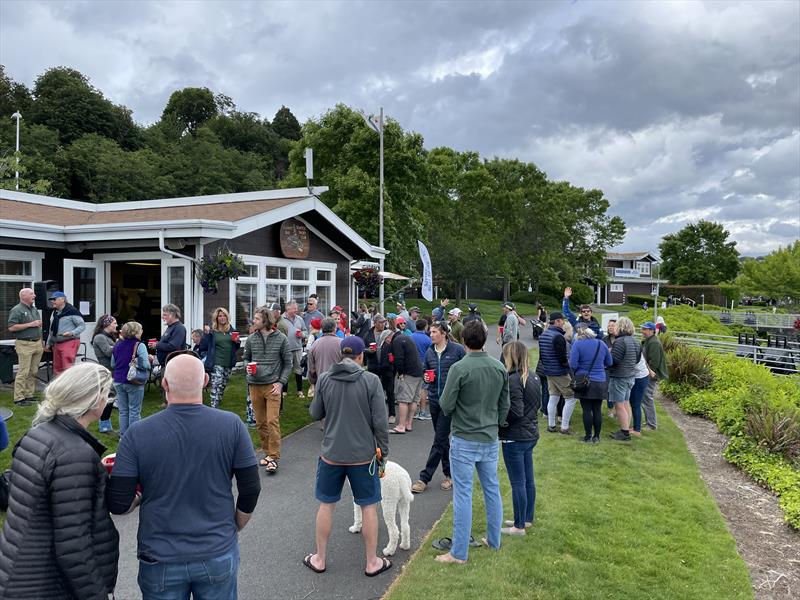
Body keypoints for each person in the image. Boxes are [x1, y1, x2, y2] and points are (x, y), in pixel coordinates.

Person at [108, 353, 261, 599]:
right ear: (206, 381)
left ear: (165, 384)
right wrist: (236, 525)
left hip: (160, 556)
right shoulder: (232, 425)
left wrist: (139, 496)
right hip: (217, 549)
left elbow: (118, 504)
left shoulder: (136, 434)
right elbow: (251, 487)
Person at [0, 363, 119, 598]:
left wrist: (97, 483)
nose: (108, 401)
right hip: (47, 584)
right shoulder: (74, 454)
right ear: (94, 402)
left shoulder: (39, 432)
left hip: (19, 572)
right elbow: (74, 544)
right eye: (107, 394)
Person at [305, 336, 391, 577]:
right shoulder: (371, 381)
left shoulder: (325, 379)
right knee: (368, 507)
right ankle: (372, 561)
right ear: (361, 355)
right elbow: (380, 423)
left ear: (341, 354)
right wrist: (383, 452)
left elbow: (315, 413)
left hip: (331, 453)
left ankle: (320, 558)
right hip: (363, 456)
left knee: (326, 505)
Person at [435, 320, 508, 564]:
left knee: (464, 494)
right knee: (491, 488)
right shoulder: (498, 367)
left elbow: (445, 404)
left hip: (465, 437)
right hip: (488, 436)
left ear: (464, 341)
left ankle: (458, 553)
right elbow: (504, 405)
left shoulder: (459, 368)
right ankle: (494, 541)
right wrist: (494, 422)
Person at [412, 321, 466, 494]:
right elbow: (425, 370)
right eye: (430, 332)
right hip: (434, 399)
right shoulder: (429, 352)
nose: (431, 335)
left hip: (450, 402)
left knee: (439, 438)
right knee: (441, 439)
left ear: (444, 333)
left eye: (434, 332)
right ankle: (449, 474)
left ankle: (424, 477)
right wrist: (427, 379)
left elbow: (466, 372)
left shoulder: (457, 350)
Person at [243, 305, 292, 474]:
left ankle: (274, 457)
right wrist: (247, 367)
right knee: (260, 423)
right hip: (254, 386)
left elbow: (288, 363)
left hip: (272, 386)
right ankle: (267, 453)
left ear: (265, 320)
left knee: (272, 421)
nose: (253, 321)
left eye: (256, 318)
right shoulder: (251, 339)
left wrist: (280, 383)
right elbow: (246, 358)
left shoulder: (281, 338)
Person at [499, 341, 541, 534]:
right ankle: (526, 518)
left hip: (515, 436)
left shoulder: (514, 380)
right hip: (530, 433)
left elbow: (515, 410)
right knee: (527, 480)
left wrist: (501, 422)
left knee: (518, 482)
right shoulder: (534, 377)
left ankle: (519, 526)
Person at [569, 324, 612, 443]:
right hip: (600, 380)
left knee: (587, 409)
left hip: (584, 381)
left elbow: (572, 364)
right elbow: (609, 362)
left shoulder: (578, 344)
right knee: (597, 409)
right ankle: (597, 437)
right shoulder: (601, 344)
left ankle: (588, 436)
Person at [539, 312, 577, 434]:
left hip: (548, 371)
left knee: (553, 397)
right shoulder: (558, 337)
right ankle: (564, 427)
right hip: (560, 372)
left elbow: (542, 356)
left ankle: (551, 425)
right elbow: (562, 358)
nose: (564, 323)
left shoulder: (544, 334)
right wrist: (568, 367)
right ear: (557, 322)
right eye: (562, 321)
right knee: (571, 397)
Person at [111, 321, 151, 436]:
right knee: (134, 410)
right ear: (136, 332)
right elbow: (145, 365)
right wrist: (149, 360)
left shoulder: (117, 344)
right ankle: (134, 436)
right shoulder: (139, 345)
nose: (142, 331)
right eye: (141, 329)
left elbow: (113, 364)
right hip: (133, 380)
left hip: (118, 380)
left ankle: (123, 436)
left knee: (123, 411)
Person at [7, 287, 44, 407]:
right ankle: (18, 398)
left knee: (33, 371)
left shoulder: (33, 309)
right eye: (31, 294)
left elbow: (38, 327)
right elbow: (11, 327)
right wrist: (31, 324)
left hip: (37, 343)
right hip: (24, 344)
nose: (34, 295)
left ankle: (29, 394)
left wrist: (41, 341)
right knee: (23, 371)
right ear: (24, 296)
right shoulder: (16, 310)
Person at [607, 317, 642, 442]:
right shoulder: (636, 341)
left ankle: (624, 433)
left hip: (620, 377)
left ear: (620, 327)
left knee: (619, 405)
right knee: (626, 402)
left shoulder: (620, 341)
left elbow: (614, 361)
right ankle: (626, 428)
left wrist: (608, 355)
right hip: (630, 376)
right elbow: (637, 360)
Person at [199, 307, 241, 409]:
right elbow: (203, 346)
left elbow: (235, 347)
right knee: (216, 383)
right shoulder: (212, 332)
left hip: (228, 362)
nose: (222, 318)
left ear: (227, 317)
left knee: (222, 384)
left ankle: (218, 401)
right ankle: (214, 407)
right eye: (220, 316)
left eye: (224, 316)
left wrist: (237, 342)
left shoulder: (232, 330)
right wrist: (207, 334)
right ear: (216, 318)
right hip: (216, 362)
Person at [390, 317, 424, 434]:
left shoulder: (397, 341)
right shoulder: (406, 338)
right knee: (414, 399)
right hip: (419, 371)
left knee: (403, 400)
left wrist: (400, 374)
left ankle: (401, 426)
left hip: (409, 373)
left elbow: (399, 359)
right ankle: (408, 424)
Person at [45, 290, 86, 376]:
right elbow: (51, 329)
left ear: (62, 299)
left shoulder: (72, 311)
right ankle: (59, 387)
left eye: (54, 299)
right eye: (51, 299)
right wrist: (48, 343)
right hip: (56, 343)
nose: (52, 301)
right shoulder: (54, 313)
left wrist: (72, 333)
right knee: (57, 368)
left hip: (69, 342)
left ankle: (69, 387)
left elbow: (82, 326)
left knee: (67, 367)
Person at [92, 314, 118, 433]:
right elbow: (108, 352)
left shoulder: (109, 336)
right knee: (109, 397)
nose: (116, 325)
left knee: (111, 396)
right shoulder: (100, 337)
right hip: (107, 371)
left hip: (113, 370)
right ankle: (104, 425)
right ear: (107, 324)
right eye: (114, 323)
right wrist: (120, 344)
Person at [641, 321, 669, 431]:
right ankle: (649, 422)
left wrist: (648, 374)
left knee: (647, 398)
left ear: (651, 331)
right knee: (645, 398)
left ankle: (651, 425)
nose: (642, 331)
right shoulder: (649, 341)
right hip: (648, 374)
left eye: (645, 329)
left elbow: (654, 362)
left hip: (650, 375)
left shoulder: (654, 343)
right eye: (642, 328)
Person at [281, 300, 308, 398]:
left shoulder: (299, 319)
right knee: (286, 369)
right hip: (285, 349)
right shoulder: (281, 319)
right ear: (288, 309)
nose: (296, 310)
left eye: (296, 308)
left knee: (299, 369)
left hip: (297, 348)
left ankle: (300, 391)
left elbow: (305, 331)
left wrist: (302, 334)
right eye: (294, 308)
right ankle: (284, 391)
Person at [308, 317, 343, 389]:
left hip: (322, 382)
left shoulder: (315, 344)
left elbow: (311, 369)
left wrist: (313, 382)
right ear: (334, 328)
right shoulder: (342, 343)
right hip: (339, 383)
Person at [154, 303, 188, 367]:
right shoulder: (170, 327)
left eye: (165, 315)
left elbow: (173, 346)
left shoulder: (179, 328)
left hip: (174, 366)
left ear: (173, 315)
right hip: (167, 365)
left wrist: (157, 345)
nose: (162, 317)